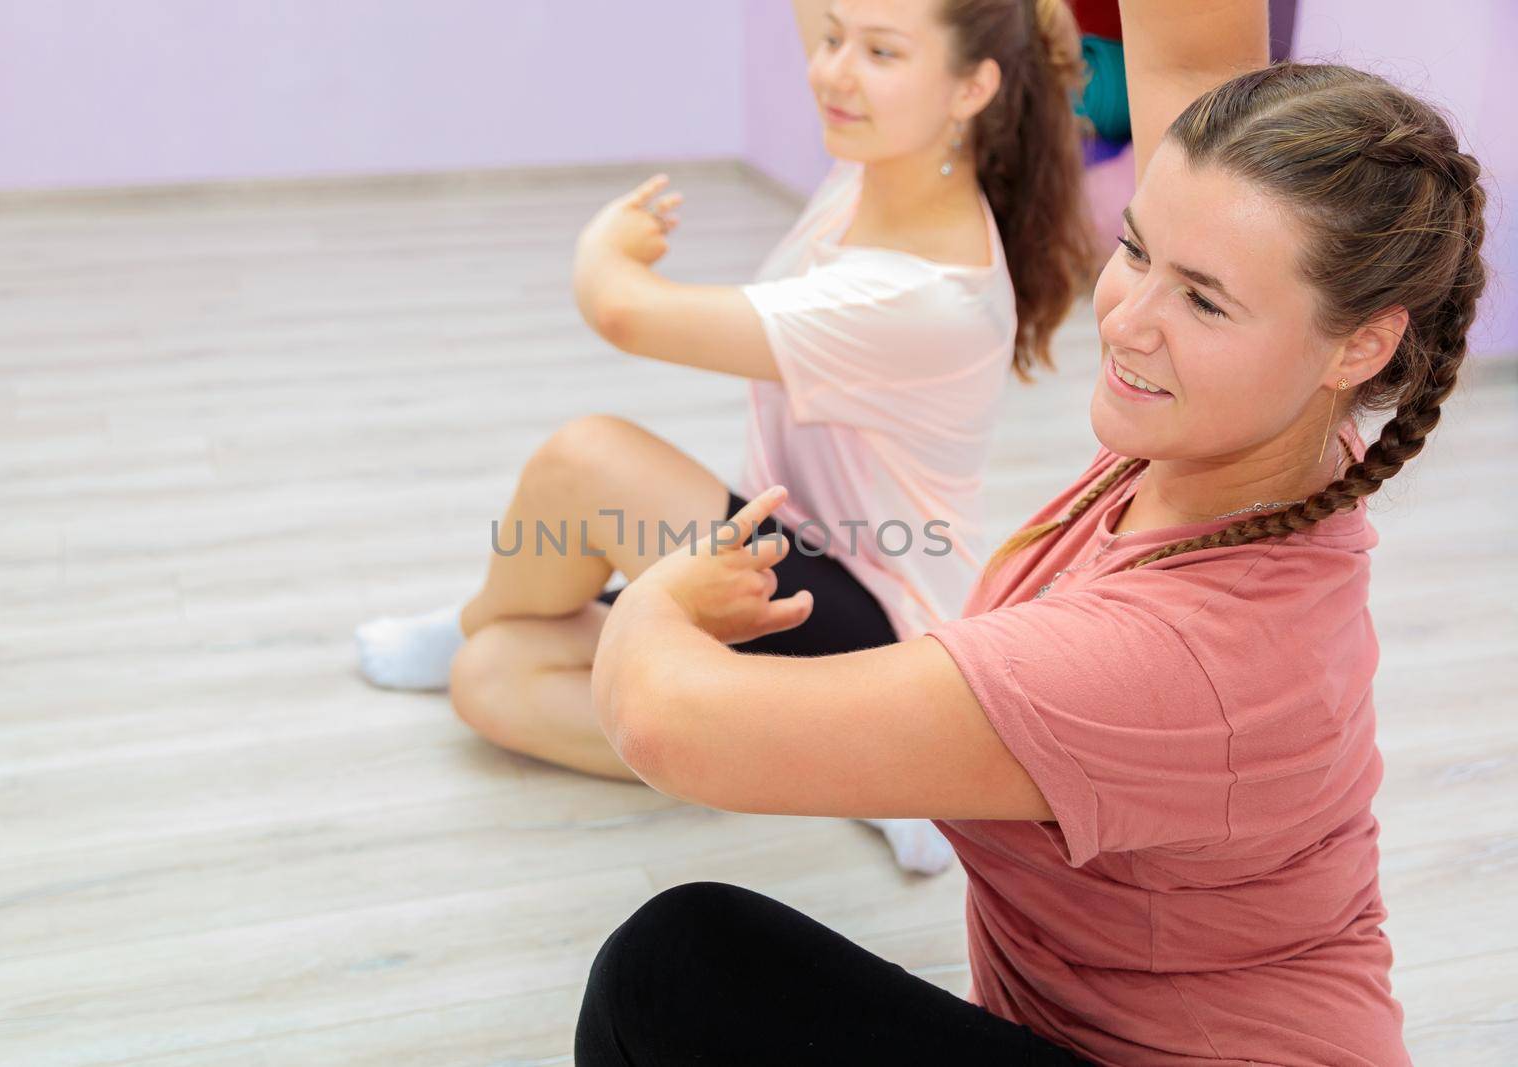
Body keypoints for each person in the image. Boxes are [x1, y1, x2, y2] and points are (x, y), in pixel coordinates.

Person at [572, 0, 1487, 1062]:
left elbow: (664, 721)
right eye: (1137, 250)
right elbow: (1191, 47)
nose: (1129, 316)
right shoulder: (1259, 428)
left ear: (1360, 347)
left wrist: (655, 596)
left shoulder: (1173, 658)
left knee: (675, 963)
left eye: (1201, 301)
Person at [353, 0, 1092, 874]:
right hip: (786, 560)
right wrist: (865, 36)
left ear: (972, 87)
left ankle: (855, 756)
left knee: (585, 461)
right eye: (832, 40)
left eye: (881, 51)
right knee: (492, 679)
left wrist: (604, 246)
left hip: (874, 621)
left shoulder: (921, 298)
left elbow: (625, 311)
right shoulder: (877, 168)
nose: (834, 71)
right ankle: (796, 753)